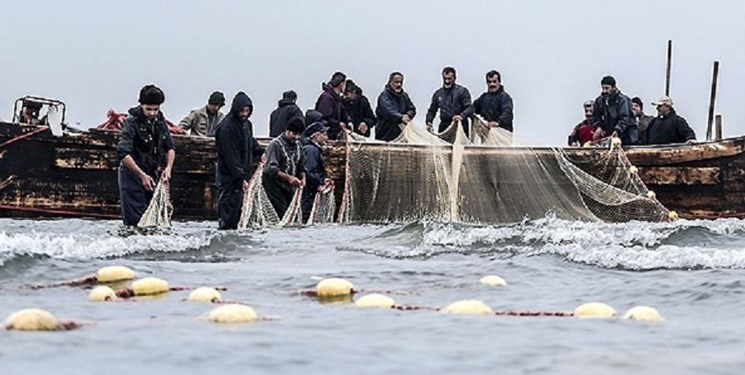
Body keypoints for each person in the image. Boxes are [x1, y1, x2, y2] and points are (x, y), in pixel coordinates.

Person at [116, 85, 175, 226]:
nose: (152, 113)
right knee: (136, 221)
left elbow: (170, 147)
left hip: (152, 174)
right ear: (141, 105)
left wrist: (168, 168)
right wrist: (141, 175)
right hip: (132, 176)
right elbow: (123, 153)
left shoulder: (160, 121)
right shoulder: (131, 122)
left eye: (156, 109)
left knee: (153, 219)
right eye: (148, 109)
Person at [215, 91, 265, 230]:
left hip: (242, 178)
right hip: (229, 180)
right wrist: (241, 178)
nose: (244, 113)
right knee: (229, 218)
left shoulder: (246, 125)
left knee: (241, 217)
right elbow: (230, 157)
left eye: (247, 111)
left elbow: (250, 142)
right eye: (242, 110)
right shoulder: (226, 128)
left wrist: (261, 151)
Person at [262, 116, 306, 219]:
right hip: (274, 185)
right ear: (287, 131)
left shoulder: (298, 145)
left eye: (299, 134)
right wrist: (289, 178)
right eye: (294, 134)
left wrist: (303, 178)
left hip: (289, 187)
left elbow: (302, 166)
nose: (296, 137)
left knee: (291, 215)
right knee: (281, 213)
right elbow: (270, 169)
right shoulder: (275, 145)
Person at [426, 67, 474, 135]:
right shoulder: (438, 94)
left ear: (454, 78)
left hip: (460, 126)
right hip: (444, 126)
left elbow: (470, 107)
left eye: (449, 79)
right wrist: (429, 122)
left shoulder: (462, 91)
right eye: (445, 79)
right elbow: (432, 110)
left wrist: (461, 116)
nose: (447, 81)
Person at [301, 121, 334, 223]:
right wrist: (319, 183)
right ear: (316, 136)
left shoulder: (312, 149)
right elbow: (309, 171)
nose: (326, 137)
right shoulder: (311, 150)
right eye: (324, 134)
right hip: (308, 191)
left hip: (310, 190)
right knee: (307, 215)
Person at [591, 75, 638, 145]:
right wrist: (599, 127)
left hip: (626, 136)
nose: (604, 91)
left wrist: (617, 130)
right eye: (603, 88)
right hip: (610, 135)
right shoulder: (599, 101)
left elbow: (625, 118)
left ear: (613, 87)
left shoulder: (623, 100)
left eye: (607, 88)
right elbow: (596, 116)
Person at [375, 71, 417, 141]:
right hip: (385, 135)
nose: (399, 84)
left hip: (402, 135)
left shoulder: (404, 96)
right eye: (396, 82)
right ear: (390, 82)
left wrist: (408, 115)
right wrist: (400, 118)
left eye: (401, 82)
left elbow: (412, 109)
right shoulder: (384, 96)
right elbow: (388, 112)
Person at [315, 72, 352, 140]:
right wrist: (338, 124)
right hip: (327, 135)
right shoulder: (326, 98)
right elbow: (324, 118)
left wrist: (348, 121)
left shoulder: (336, 98)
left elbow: (343, 112)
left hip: (334, 134)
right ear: (341, 84)